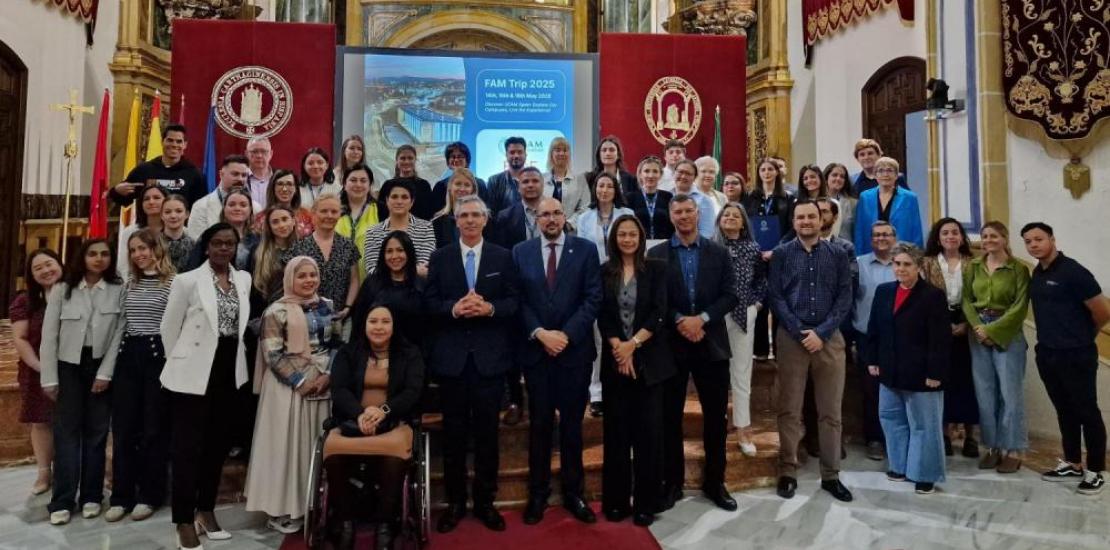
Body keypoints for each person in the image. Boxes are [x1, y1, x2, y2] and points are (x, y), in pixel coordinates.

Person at [425, 196, 519, 533]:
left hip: (489, 362)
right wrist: (454, 309)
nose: (469, 220)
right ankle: (455, 504)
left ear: (485, 219)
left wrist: (489, 309)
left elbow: (513, 303)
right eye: (463, 215)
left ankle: (485, 502)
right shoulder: (440, 257)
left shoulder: (503, 257)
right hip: (451, 362)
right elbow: (430, 303)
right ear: (456, 220)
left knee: (486, 438)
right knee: (452, 438)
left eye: (475, 215)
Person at [160, 223, 252, 549]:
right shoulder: (187, 281)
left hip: (230, 369)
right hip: (193, 373)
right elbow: (169, 328)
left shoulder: (244, 279)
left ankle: (206, 510)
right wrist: (182, 363)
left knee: (216, 447)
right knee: (187, 449)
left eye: (229, 243)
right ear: (207, 246)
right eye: (217, 243)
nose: (223, 249)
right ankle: (183, 520)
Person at [512, 197, 602, 525]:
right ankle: (538, 494)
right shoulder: (520, 252)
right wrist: (539, 332)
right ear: (536, 219)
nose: (550, 219)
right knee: (538, 427)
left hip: (574, 354)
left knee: (572, 429)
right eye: (544, 214)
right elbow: (519, 300)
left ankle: (573, 493)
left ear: (565, 217)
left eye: (556, 213)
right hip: (537, 355)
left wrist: (565, 335)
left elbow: (593, 297)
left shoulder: (586, 250)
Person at [648, 194, 740, 512]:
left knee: (715, 418)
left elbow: (731, 295)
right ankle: (671, 484)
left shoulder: (718, 251)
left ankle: (715, 482)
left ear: (698, 214)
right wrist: (679, 321)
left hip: (710, 343)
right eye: (678, 212)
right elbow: (655, 299)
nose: (684, 216)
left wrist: (701, 319)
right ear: (671, 216)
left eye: (689, 211)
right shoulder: (657, 254)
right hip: (671, 347)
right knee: (668, 419)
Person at [246, 256, 340, 534]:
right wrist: (302, 381)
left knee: (314, 446)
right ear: (290, 279)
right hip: (288, 389)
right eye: (302, 276)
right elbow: (272, 354)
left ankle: (315, 503)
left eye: (313, 275)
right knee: (288, 449)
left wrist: (328, 375)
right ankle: (286, 508)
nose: (309, 280)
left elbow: (336, 342)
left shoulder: (328, 306)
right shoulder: (276, 311)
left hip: (324, 383)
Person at [768, 199, 854, 502]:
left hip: (829, 339)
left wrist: (822, 332)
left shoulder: (839, 254)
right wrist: (798, 330)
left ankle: (831, 475)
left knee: (830, 412)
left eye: (811, 217)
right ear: (793, 222)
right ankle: (787, 470)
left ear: (822, 221)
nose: (805, 222)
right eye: (800, 217)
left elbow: (845, 296)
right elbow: (775, 296)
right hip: (792, 339)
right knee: (789, 409)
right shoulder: (781, 254)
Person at [325, 304, 425, 549]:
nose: (379, 327)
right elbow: (339, 389)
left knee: (394, 453)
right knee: (332, 450)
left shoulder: (410, 354)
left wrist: (383, 411)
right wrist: (361, 414)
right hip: (351, 422)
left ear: (394, 325)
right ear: (364, 324)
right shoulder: (349, 353)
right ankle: (345, 523)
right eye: (373, 321)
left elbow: (413, 391)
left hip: (394, 424)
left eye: (385, 321)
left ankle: (385, 526)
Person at [39, 239, 124, 525]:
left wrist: (105, 373)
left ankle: (91, 496)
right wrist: (49, 378)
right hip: (68, 367)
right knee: (66, 433)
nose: (98, 259)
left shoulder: (117, 290)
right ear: (82, 257)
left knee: (97, 434)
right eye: (92, 254)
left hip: (99, 365)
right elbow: (49, 338)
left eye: (104, 254)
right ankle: (62, 500)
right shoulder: (63, 290)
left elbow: (118, 336)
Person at [1022, 222, 1109, 494]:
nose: (1033, 244)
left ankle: (1096, 470)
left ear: (1052, 239)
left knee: (1087, 411)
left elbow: (1102, 312)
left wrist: (1083, 335)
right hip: (1047, 353)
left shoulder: (1074, 272)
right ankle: (1072, 462)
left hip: (1077, 354)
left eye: (1038, 239)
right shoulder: (1037, 272)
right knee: (1064, 410)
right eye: (1028, 241)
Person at [598, 215, 672, 526]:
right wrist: (619, 346)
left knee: (648, 435)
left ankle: (646, 502)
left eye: (633, 234)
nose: (627, 239)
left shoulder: (656, 268)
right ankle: (616, 501)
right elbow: (602, 313)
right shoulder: (604, 272)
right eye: (622, 234)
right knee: (616, 434)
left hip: (649, 362)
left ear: (641, 238)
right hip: (616, 362)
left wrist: (634, 345)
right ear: (614, 238)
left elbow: (660, 311)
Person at [861, 243, 950, 495]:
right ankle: (899, 466)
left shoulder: (932, 295)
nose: (900, 269)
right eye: (897, 264)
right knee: (891, 419)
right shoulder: (884, 291)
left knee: (924, 425)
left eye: (906, 264)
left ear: (919, 266)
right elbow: (874, 329)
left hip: (922, 374)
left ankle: (924, 474)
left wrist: (935, 373)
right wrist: (872, 360)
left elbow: (940, 339)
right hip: (889, 370)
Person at [103, 229, 175, 522]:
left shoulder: (173, 283)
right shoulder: (128, 284)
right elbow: (121, 323)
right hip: (129, 355)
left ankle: (149, 494)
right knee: (123, 428)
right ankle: (121, 496)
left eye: (144, 248)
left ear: (156, 248)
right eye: (133, 250)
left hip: (158, 354)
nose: (138, 254)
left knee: (153, 429)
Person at [962, 221, 1030, 474]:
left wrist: (993, 331)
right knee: (985, 393)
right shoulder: (974, 267)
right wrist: (979, 327)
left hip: (1008, 333)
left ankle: (1013, 449)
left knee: (1010, 395)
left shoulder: (1018, 270)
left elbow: (1020, 306)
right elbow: (967, 300)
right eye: (985, 236)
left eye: (994, 236)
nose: (989, 240)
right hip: (978, 332)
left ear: (1004, 238)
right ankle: (992, 446)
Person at [491, 166, 546, 424]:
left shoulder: (552, 213)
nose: (531, 185)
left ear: (542, 184)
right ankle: (516, 401)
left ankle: (543, 403)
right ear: (518, 186)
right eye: (525, 181)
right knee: (513, 350)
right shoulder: (504, 216)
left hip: (547, 293)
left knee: (542, 351)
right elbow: (500, 257)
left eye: (535, 180)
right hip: (515, 291)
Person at [922, 218, 979, 458]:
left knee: (969, 383)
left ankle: (971, 436)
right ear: (938, 237)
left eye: (955, 232)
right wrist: (942, 324)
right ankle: (943, 434)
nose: (950, 237)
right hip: (936, 325)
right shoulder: (926, 263)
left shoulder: (974, 263)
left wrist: (967, 323)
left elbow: (980, 295)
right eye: (945, 233)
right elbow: (922, 297)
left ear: (961, 237)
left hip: (969, 324)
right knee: (941, 381)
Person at [9, 248, 64, 496]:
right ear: (31, 275)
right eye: (38, 268)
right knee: (40, 421)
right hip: (36, 368)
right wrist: (41, 368)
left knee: (71, 421)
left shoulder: (75, 293)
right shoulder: (25, 300)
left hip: (71, 368)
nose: (45, 270)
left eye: (49, 264)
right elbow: (20, 338)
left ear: (60, 264)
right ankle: (44, 471)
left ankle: (70, 470)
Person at [715, 203, 767, 456]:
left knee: (742, 373)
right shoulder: (711, 248)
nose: (731, 218)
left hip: (744, 313)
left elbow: (761, 280)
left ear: (744, 222)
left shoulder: (753, 248)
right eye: (726, 215)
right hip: (716, 316)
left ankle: (743, 429)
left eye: (736, 215)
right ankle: (717, 426)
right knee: (716, 374)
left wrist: (756, 305)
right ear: (719, 220)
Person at [853, 221, 897, 460]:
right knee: (871, 391)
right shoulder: (859, 265)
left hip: (899, 337)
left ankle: (896, 437)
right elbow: (850, 299)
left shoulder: (902, 264)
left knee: (896, 389)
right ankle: (874, 438)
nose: (881, 238)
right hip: (867, 337)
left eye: (886, 234)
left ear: (894, 238)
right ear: (871, 240)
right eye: (877, 235)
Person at [743, 158, 794, 362]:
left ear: (777, 173)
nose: (767, 172)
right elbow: (745, 225)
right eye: (763, 169)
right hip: (756, 257)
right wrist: (756, 249)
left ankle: (782, 351)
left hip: (780, 256)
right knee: (760, 303)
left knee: (780, 302)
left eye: (770, 169)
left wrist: (777, 249)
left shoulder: (787, 198)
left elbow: (792, 227)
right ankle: (761, 351)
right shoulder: (751, 198)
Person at [283, 193, 360, 322]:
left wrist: (348, 307)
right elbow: (289, 283)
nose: (329, 215)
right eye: (324, 211)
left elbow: (354, 280)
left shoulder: (348, 246)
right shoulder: (299, 247)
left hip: (340, 318)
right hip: (306, 318)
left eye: (334, 211)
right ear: (314, 213)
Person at [350, 231, 426, 347]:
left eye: (400, 250)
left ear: (409, 253)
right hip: (374, 354)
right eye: (389, 251)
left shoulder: (421, 285)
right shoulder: (371, 284)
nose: (394, 256)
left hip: (412, 356)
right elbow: (358, 325)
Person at [110, 123, 206, 207]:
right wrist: (116, 191)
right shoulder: (144, 170)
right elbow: (124, 200)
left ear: (185, 145)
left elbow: (200, 208)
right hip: (148, 227)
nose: (174, 145)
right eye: (170, 140)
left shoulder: (194, 174)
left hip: (180, 227)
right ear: (162, 141)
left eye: (179, 141)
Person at [363, 180, 435, 277]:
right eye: (394, 197)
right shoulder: (373, 232)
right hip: (384, 290)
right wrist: (412, 271)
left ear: (412, 202)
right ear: (387, 200)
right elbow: (372, 270)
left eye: (404, 197)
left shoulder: (426, 228)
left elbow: (425, 267)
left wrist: (390, 271)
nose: (399, 201)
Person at [854, 156, 923, 254]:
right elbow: (859, 230)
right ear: (875, 175)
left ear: (896, 175)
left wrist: (917, 256)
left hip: (901, 254)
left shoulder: (910, 198)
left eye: (890, 170)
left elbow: (916, 230)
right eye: (881, 171)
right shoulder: (865, 197)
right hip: (871, 252)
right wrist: (858, 256)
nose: (885, 174)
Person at [188, 155, 260, 240]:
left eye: (244, 175)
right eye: (235, 174)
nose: (240, 179)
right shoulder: (200, 206)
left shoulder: (256, 207)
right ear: (221, 174)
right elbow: (197, 243)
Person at [335, 164, 380, 282]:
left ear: (370, 185)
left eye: (363, 181)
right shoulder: (333, 210)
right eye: (353, 180)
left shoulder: (382, 210)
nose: (358, 184)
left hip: (371, 282)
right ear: (344, 184)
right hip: (337, 281)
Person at [251, 206, 302, 303]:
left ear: (293, 221)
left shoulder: (305, 248)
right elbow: (255, 291)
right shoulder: (258, 252)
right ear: (269, 226)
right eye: (275, 222)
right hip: (269, 308)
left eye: (285, 219)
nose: (281, 225)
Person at [117, 184, 167, 281]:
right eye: (146, 199)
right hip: (137, 284)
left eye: (156, 198)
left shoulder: (177, 230)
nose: (151, 202)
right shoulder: (130, 231)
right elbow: (123, 265)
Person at [377, 145, 435, 221]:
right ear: (397, 161)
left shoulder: (424, 185)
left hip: (418, 230)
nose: (406, 161)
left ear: (415, 160)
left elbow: (429, 214)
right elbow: (382, 214)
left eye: (410, 158)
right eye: (403, 158)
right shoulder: (387, 186)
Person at [429, 142, 488, 215]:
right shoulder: (440, 186)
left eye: (460, 156)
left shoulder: (480, 184)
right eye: (452, 157)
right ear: (448, 163)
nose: (456, 160)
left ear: (467, 161)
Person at [625, 156, 674, 242]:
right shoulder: (630, 198)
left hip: (663, 246)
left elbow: (672, 226)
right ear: (640, 174)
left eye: (655, 171)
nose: (651, 175)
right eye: (646, 171)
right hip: (638, 245)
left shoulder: (668, 197)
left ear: (660, 175)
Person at [543, 136, 590, 226]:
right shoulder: (542, 179)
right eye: (557, 150)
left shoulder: (580, 179)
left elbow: (585, 207)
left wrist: (570, 224)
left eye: (565, 150)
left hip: (570, 231)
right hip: (545, 230)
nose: (561, 153)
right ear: (551, 154)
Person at [431, 167, 484, 248]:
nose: (462, 189)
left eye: (467, 185)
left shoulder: (484, 220)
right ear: (450, 188)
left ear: (473, 190)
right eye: (458, 184)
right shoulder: (437, 222)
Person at [257, 169, 314, 237]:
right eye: (280, 184)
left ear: (296, 189)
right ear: (272, 188)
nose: (284, 189)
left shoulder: (307, 216)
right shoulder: (260, 218)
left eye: (289, 184)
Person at [670, 160, 717, 238]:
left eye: (688, 174)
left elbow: (707, 231)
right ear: (674, 173)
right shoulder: (665, 195)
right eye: (680, 172)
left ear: (695, 177)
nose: (683, 176)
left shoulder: (704, 200)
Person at [486, 136, 529, 217]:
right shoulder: (494, 181)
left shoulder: (535, 180)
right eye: (512, 152)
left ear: (525, 154)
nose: (516, 156)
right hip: (502, 228)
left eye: (520, 152)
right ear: (506, 155)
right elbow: (491, 213)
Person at [219, 188, 260, 271]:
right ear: (224, 209)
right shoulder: (210, 236)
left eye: (243, 205)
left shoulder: (259, 239)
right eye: (232, 204)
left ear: (250, 210)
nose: (237, 208)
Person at [160, 194, 195, 273]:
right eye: (167, 212)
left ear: (187, 214)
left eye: (178, 211)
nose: (173, 216)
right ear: (161, 215)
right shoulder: (152, 244)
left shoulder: (194, 247)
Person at [824, 162, 857, 241]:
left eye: (842, 177)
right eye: (834, 175)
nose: (838, 179)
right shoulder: (816, 202)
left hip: (846, 249)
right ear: (826, 178)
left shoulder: (853, 204)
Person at [245, 137, 273, 206]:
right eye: (254, 151)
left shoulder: (279, 178)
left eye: (264, 151)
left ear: (271, 154)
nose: (259, 156)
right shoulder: (238, 178)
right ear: (246, 154)